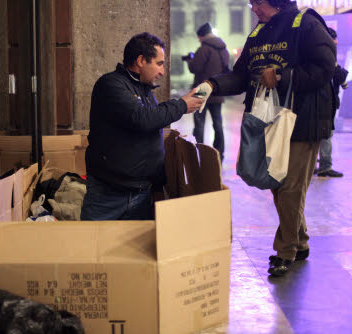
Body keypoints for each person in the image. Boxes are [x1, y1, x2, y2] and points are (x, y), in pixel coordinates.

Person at [195, 0, 336, 276]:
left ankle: (286, 250)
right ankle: (301, 241)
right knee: (277, 184)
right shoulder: (259, 33)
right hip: (266, 120)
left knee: (290, 187)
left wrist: (282, 76)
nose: (253, 9)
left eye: (257, 3)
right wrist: (212, 84)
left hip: (302, 121)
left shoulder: (306, 23)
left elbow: (325, 67)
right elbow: (240, 76)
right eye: (251, 3)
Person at [80, 32, 203, 221]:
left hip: (141, 195)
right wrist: (181, 105)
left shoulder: (145, 92)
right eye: (159, 63)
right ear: (140, 60)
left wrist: (157, 186)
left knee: (136, 252)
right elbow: (141, 119)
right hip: (108, 197)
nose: (162, 72)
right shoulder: (110, 85)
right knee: (94, 249)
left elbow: (150, 132)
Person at [183, 22, 230, 161]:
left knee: (199, 122)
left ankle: (198, 151)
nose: (199, 40)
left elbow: (195, 68)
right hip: (218, 88)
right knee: (218, 122)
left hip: (202, 90)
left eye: (199, 37)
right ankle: (219, 152)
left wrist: (189, 60)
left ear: (202, 36)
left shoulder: (204, 49)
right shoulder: (223, 49)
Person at [315, 27, 349, 178]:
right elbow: (339, 77)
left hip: (322, 102)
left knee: (318, 134)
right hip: (325, 102)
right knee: (326, 134)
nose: (335, 41)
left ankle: (316, 165)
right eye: (333, 38)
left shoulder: (319, 54)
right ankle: (325, 166)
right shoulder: (327, 57)